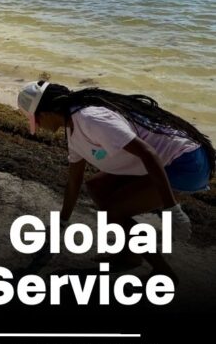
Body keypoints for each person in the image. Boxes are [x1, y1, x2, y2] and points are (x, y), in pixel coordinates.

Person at [17, 81, 210, 273]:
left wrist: (172, 208)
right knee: (96, 186)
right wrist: (62, 222)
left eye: (37, 120)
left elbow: (148, 153)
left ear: (47, 112)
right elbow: (74, 181)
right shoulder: (73, 129)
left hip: (186, 163)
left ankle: (163, 271)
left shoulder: (90, 119)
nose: (38, 126)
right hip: (165, 161)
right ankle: (129, 256)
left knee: (114, 212)